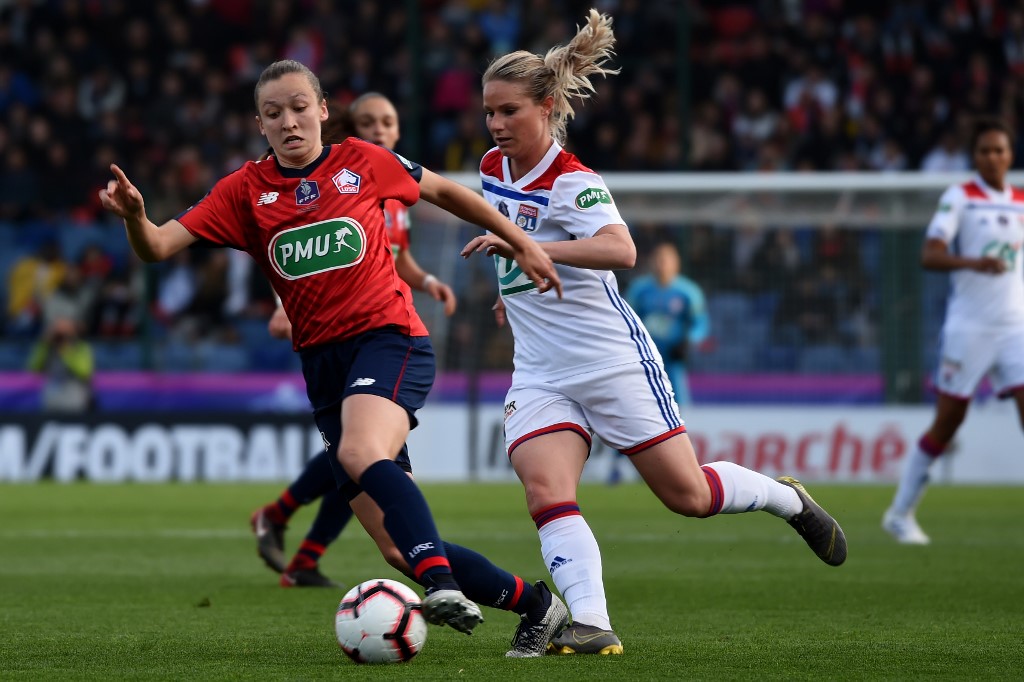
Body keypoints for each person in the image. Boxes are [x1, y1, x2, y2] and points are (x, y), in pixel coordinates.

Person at [98, 59, 570, 657]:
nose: (289, 121)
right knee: (398, 550)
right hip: (323, 366)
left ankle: (445, 585)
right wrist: (138, 217)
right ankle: (536, 605)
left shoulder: (361, 161)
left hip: (390, 339)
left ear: (323, 110)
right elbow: (159, 246)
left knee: (359, 451)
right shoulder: (244, 190)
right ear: (260, 124)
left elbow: (447, 193)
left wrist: (523, 243)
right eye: (273, 114)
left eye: (299, 107)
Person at [461, 10, 847, 655]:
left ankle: (784, 497)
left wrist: (533, 250)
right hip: (539, 368)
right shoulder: (492, 170)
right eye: (489, 113)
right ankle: (592, 623)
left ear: (547, 106)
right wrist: (514, 289)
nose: (497, 126)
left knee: (688, 496)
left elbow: (621, 250)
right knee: (545, 491)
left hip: (610, 359)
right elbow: (523, 254)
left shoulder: (575, 180)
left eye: (509, 113)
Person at [253, 92, 458, 589]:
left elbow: (395, 256)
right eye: (369, 122)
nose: (380, 131)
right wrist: (283, 308)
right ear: (351, 128)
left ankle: (293, 536)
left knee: (363, 456)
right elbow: (303, 250)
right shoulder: (336, 178)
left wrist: (426, 281)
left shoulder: (393, 189)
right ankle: (289, 526)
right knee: (363, 455)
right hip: (335, 332)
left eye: (388, 122)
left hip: (379, 326)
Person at [883, 117, 1024, 545]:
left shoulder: (1020, 200)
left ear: (1010, 154)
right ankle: (900, 513)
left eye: (1000, 150)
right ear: (974, 156)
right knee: (949, 421)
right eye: (985, 150)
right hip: (970, 328)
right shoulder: (960, 197)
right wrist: (974, 262)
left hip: (1015, 328)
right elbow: (931, 254)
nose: (993, 157)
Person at [625, 242, 709, 407]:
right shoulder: (639, 289)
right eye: (658, 259)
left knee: (676, 401)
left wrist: (688, 342)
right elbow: (626, 319)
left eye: (666, 260)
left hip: (672, 355)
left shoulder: (688, 292)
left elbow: (700, 323)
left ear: (676, 263)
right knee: (641, 400)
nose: (661, 264)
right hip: (644, 356)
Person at [27, 316, 95, 413]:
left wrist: (65, 351)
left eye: (64, 333)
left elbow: (85, 372)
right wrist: (44, 344)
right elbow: (34, 367)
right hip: (52, 391)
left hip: (73, 392)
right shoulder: (48, 347)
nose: (61, 337)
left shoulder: (81, 347)